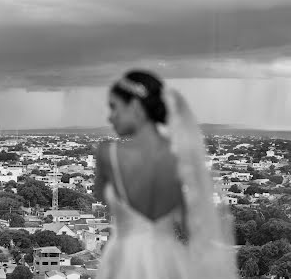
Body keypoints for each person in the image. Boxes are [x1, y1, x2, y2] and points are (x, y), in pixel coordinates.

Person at [95, 70, 237, 279]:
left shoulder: (109, 154)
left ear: (135, 107)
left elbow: (100, 195)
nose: (111, 116)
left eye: (114, 107)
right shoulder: (180, 157)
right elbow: (190, 225)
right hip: (169, 260)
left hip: (123, 260)